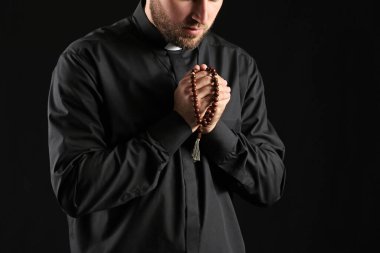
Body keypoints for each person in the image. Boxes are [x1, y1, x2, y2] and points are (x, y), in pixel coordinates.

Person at [47, 0, 286, 252]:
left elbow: (269, 185)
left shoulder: (239, 64)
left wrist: (214, 129)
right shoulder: (85, 61)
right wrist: (178, 123)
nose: (201, 15)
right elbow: (74, 189)